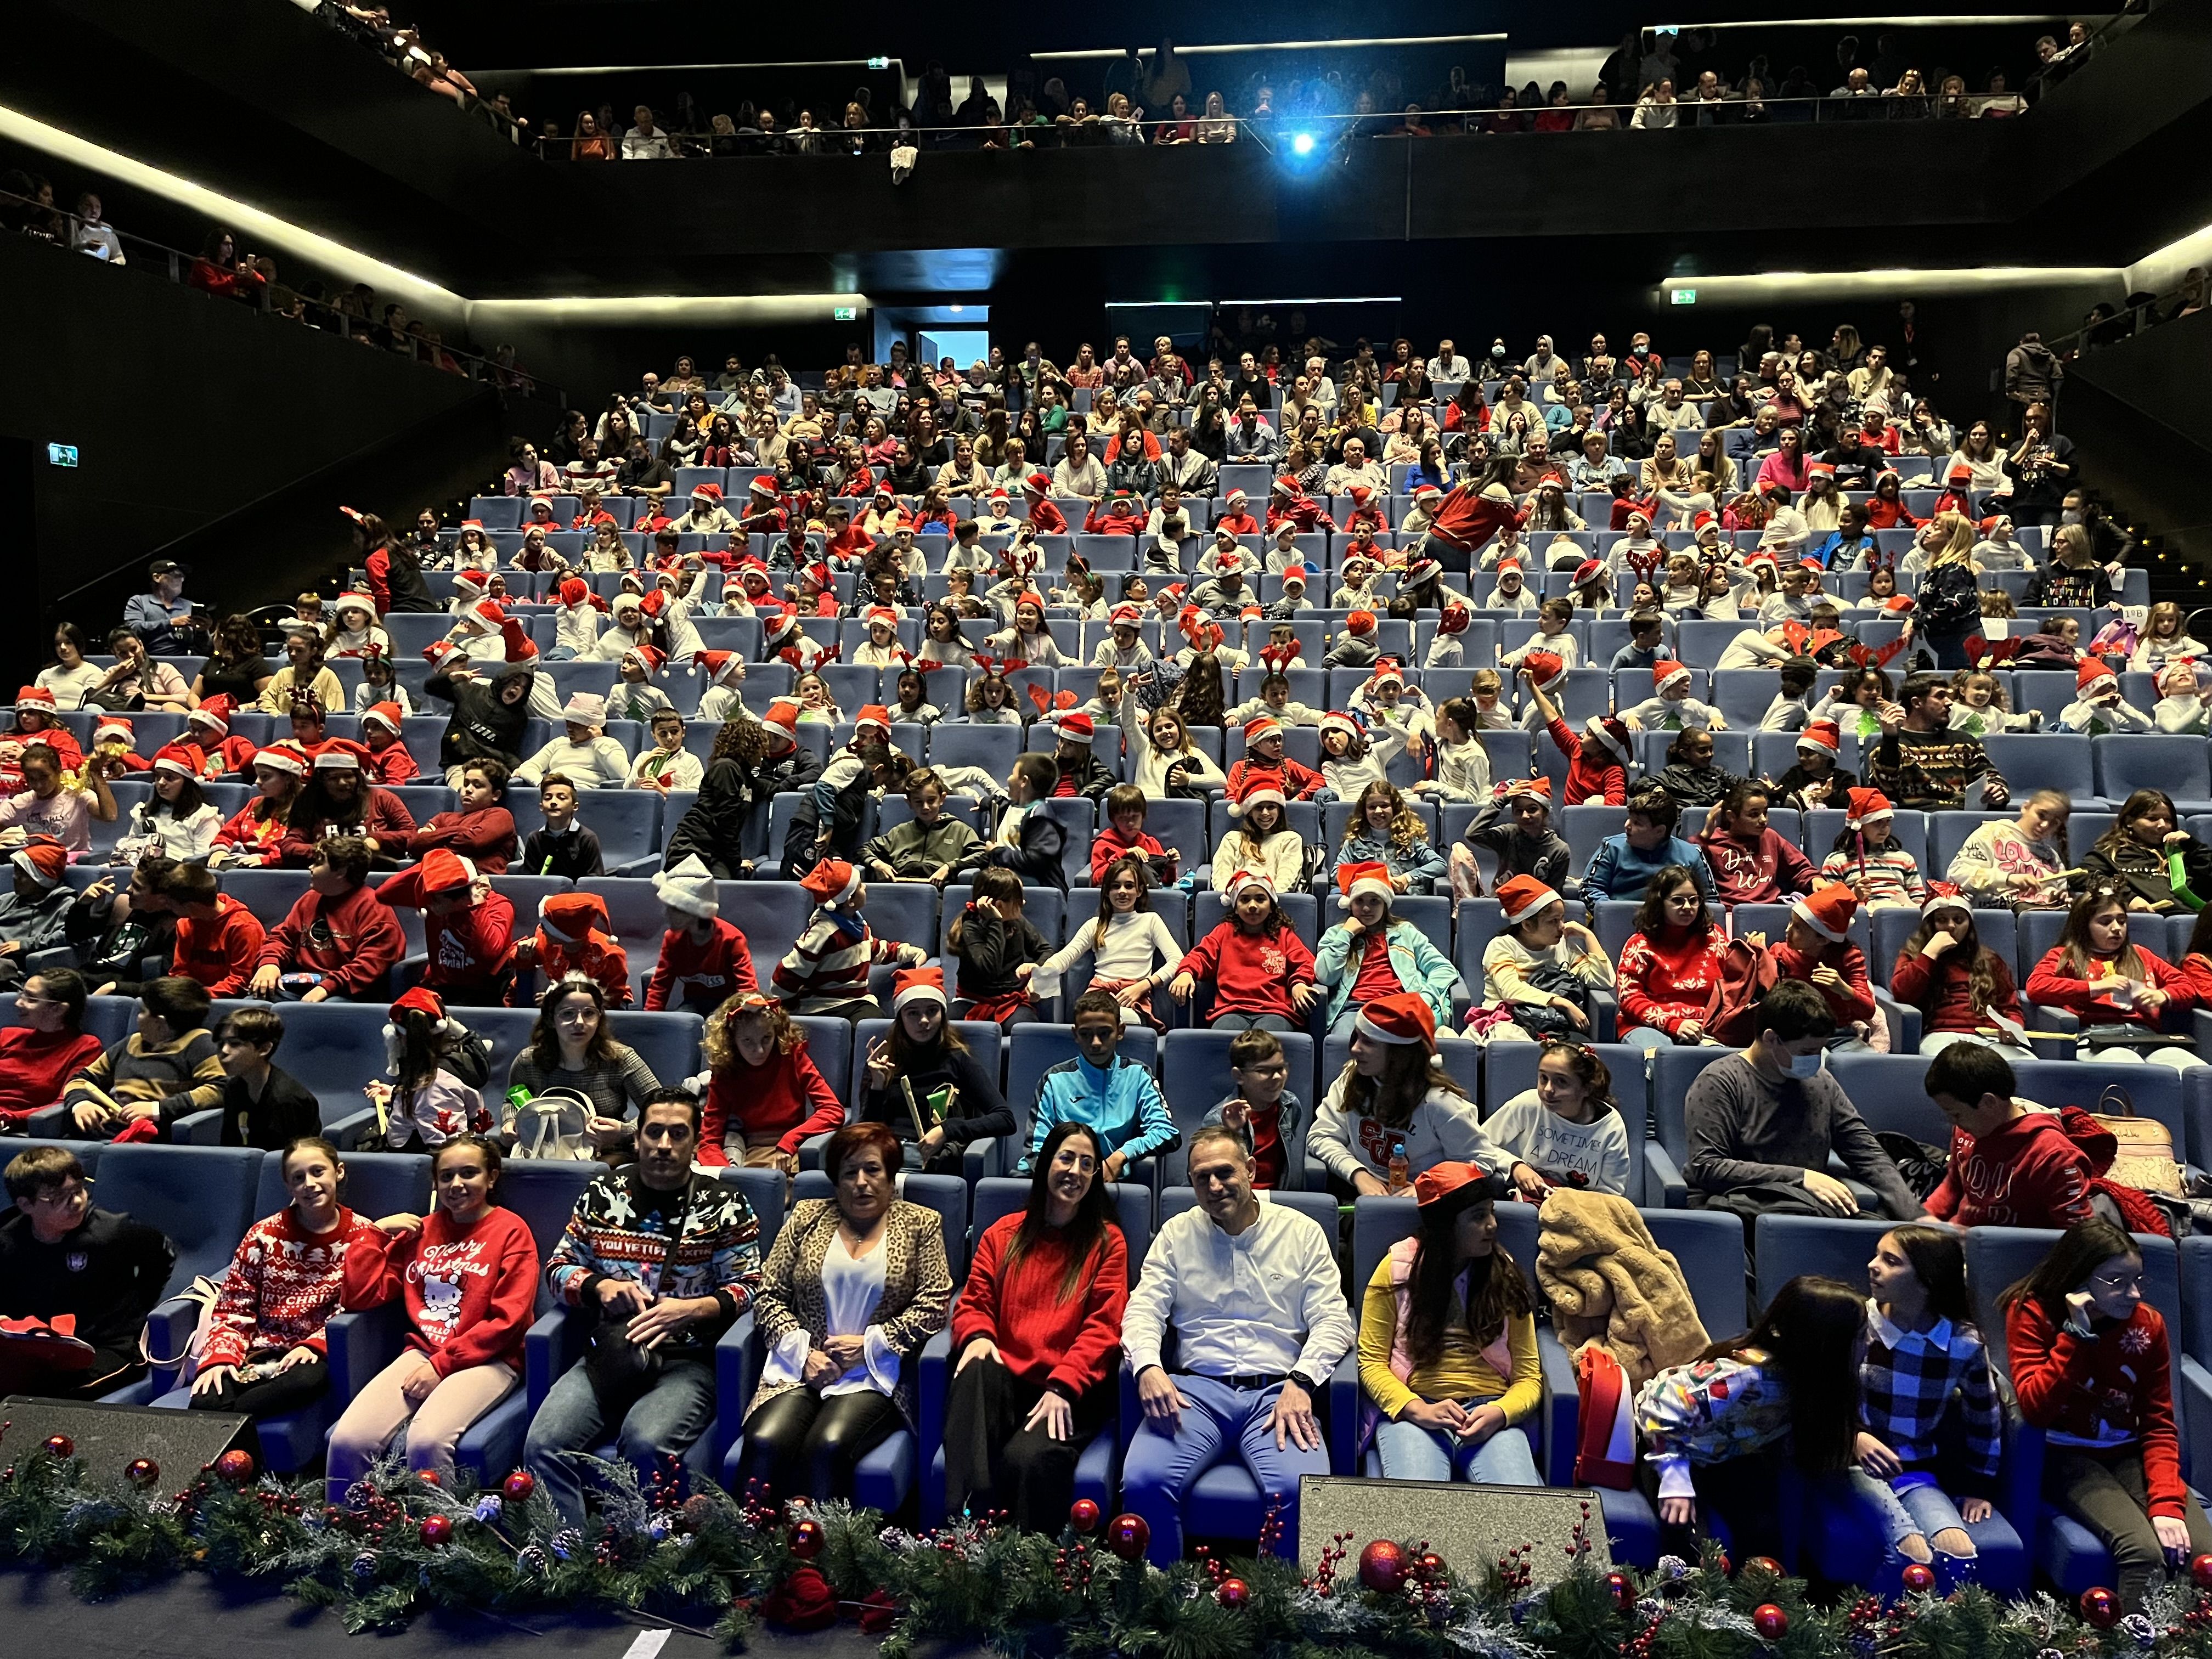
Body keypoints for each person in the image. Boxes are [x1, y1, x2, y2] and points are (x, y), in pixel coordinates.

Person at [525, 1090, 765, 1526]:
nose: (664, 1145)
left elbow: (751, 1287)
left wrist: (693, 1310)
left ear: (695, 1143)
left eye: (678, 1134)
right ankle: (573, 1560)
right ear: (638, 1139)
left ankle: (642, 1559)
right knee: (543, 1444)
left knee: (644, 1441)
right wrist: (599, 1286)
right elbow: (557, 1269)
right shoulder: (602, 1193)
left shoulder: (725, 1204)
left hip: (688, 1360)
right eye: (654, 1133)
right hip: (612, 1354)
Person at [1119, 1124, 1355, 1565]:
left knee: (1297, 1490)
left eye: (1225, 1172)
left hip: (1277, 1393)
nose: (1214, 1186)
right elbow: (1143, 1310)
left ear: (1250, 1169)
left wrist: (1302, 1382)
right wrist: (1149, 1367)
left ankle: (1279, 1612)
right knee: (1145, 1479)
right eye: (1200, 1177)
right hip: (1195, 1393)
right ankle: (1164, 1611)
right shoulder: (1176, 1234)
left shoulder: (1301, 1233)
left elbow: (1334, 1320)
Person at [736, 1122, 952, 1500]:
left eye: (873, 1170)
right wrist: (804, 1354)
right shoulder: (806, 1217)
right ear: (836, 1181)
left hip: (876, 1373)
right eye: (849, 1173)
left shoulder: (921, 1223)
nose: (861, 1183)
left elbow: (934, 1304)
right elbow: (768, 1294)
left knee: (828, 1446)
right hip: (801, 1369)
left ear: (890, 1176)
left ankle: (818, 1556)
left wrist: (870, 1345)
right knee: (764, 1441)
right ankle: (747, 1551)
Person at [2005, 1218, 2212, 1612]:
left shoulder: (2148, 1325)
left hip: (2125, 1450)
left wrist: (2167, 1504)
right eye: (2117, 1282)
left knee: (2203, 1557)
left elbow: (2158, 1423)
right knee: (2144, 1553)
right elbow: (2035, 1408)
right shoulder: (2030, 1311)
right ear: (2078, 1280)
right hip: (2061, 1453)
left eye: (2137, 1280)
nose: (2133, 1294)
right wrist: (2076, 1336)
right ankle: (2132, 1648)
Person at [943, 1120, 1129, 1530]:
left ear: (1096, 1175)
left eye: (1087, 1163)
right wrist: (976, 1335)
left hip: (1066, 1391)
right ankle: (962, 1528)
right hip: (1006, 1385)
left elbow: (1105, 1326)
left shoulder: (1107, 1241)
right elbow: (973, 1301)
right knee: (974, 1366)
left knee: (1025, 1459)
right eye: (1067, 1158)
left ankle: (1025, 1569)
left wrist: (1064, 1384)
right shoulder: (1002, 1234)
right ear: (1046, 1163)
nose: (1075, 1171)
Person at [329, 1136, 539, 1496]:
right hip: (425, 1352)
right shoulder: (422, 1231)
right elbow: (360, 1296)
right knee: (349, 1440)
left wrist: (442, 1366)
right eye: (446, 1176)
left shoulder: (511, 1230)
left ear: (491, 1178)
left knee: (426, 1441)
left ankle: (439, 1545)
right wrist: (374, 1235)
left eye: (469, 1173)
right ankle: (352, 1537)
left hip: (491, 1358)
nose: (456, 1184)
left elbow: (510, 1320)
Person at [1635, 1276, 1866, 1562]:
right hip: (1667, 1446)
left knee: (1765, 1537)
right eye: (1859, 1335)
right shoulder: (1745, 1377)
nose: (1868, 1342)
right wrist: (1675, 1474)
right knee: (1693, 1544)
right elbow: (1658, 1404)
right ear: (1827, 1346)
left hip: (1723, 1456)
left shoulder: (1815, 1386)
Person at [1358, 1158, 1542, 1484]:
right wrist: (1417, 1409)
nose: (1492, 1226)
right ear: (1446, 1226)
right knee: (1419, 1511)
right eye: (1477, 1217)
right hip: (1419, 1411)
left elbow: (1529, 1376)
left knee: (1519, 1512)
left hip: (1489, 1408)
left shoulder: (1505, 1273)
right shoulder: (1396, 1269)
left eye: (1492, 1212)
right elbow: (1371, 1363)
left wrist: (1501, 1413)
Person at [1683, 979, 1923, 1221]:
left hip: (1803, 1206)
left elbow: (1866, 1153)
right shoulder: (1719, 1081)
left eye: (1820, 1050)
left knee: (1885, 1234)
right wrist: (1801, 1177)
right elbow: (1707, 1166)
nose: (1816, 1060)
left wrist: (1915, 1217)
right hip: (1737, 1207)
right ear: (1772, 1039)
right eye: (1807, 1052)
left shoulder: (1821, 1081)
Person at [1848, 1224, 2004, 1588]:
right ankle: (1866, 1638)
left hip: (1914, 1469)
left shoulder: (1962, 1342)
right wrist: (1854, 1435)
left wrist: (1980, 1484)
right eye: (1877, 1256)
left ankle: (1929, 1642)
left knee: (1958, 1554)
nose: (1873, 1266)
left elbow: (1985, 1415)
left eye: (1890, 1261)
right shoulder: (1856, 1322)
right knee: (1911, 1553)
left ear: (1926, 1281)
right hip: (1853, 1464)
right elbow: (1823, 1395)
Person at [189, 1137, 377, 1429]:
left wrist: (314, 1346)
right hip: (258, 1350)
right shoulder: (263, 1235)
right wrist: (222, 1358)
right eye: (298, 1178)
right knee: (205, 1395)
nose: (309, 1184)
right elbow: (233, 1308)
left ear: (338, 1172)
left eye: (318, 1172)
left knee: (305, 1381)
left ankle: (218, 1424)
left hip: (309, 1356)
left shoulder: (363, 1235)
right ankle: (224, 1437)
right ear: (289, 1187)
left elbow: (354, 1305)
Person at [0, 1146, 175, 1398]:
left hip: (110, 1346)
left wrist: (141, 1307)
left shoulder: (113, 1233)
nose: (78, 1202)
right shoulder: (8, 1241)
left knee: (51, 1395)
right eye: (59, 1197)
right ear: (26, 1204)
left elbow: (162, 1255)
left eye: (79, 1189)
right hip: (42, 1346)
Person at [1310, 992, 1502, 1195]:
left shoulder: (1439, 1102)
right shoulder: (1350, 1079)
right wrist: (1358, 1174)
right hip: (1361, 1194)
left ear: (1399, 1054)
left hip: (1425, 1204)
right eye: (1356, 1037)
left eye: (1369, 1042)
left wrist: (1429, 1186)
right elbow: (1321, 1137)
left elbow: (1482, 1161)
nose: (1355, 1049)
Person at [2025, 886, 2204, 1070]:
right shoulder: (2065, 955)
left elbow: (2186, 986)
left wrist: (2164, 996)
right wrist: (2096, 987)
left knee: (2193, 1068)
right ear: (2083, 926)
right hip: (2097, 1038)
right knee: (2129, 1064)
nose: (2117, 928)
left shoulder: (2141, 954)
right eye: (2105, 922)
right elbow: (2037, 987)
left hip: (2148, 1038)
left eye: (2122, 921)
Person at [857, 966, 1014, 1173]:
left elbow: (1005, 1119)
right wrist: (877, 1087)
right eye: (913, 1013)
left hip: (934, 1163)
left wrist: (947, 1130)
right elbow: (868, 1131)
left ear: (943, 1013)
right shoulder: (884, 1059)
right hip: (886, 1160)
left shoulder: (957, 1057)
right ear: (900, 1018)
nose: (924, 1021)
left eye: (932, 1011)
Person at [1921, 1040, 2093, 1228]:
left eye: (1956, 1114)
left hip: (2013, 1253)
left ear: (1989, 1103)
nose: (1952, 1122)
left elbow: (2079, 1237)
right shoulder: (1967, 1130)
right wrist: (1924, 1219)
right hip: (1962, 1241)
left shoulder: (2054, 1155)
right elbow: (1954, 1185)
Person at [1017, 989, 1177, 1178]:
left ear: (1120, 1031)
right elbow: (1037, 1147)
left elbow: (1167, 1133)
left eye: (1104, 1033)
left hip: (1110, 1180)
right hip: (1058, 1178)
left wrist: (1121, 1156)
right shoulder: (1054, 1079)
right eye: (1086, 1034)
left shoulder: (1139, 1075)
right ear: (1075, 1035)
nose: (1095, 1043)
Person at [505, 975, 662, 1156]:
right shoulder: (529, 1060)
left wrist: (624, 1132)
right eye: (568, 1014)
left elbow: (659, 1108)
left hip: (607, 1153)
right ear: (551, 1020)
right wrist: (510, 1122)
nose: (580, 1023)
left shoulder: (622, 1058)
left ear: (600, 1017)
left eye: (589, 1013)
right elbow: (512, 1098)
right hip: (543, 1150)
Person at [61, 975, 227, 1139]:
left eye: (142, 1012)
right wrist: (81, 1103)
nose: (137, 1017)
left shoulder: (200, 1044)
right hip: (105, 1128)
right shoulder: (132, 1042)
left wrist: (157, 1109)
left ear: (160, 1022)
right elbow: (81, 1079)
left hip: (152, 1136)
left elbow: (221, 1088)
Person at [697, 990, 842, 1171]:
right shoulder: (726, 1070)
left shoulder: (791, 1055)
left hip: (793, 1147)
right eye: (747, 1041)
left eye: (767, 1038)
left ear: (777, 1032)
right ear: (732, 1040)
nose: (759, 1050)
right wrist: (726, 1175)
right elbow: (710, 1140)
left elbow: (833, 1111)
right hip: (748, 1149)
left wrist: (791, 1140)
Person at [250, 836, 405, 1002]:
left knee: (320, 1010)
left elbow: (369, 964)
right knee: (253, 1002)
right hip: (306, 982)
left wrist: (327, 988)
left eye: (318, 863)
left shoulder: (375, 910)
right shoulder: (310, 899)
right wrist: (269, 963)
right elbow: (283, 937)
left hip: (349, 991)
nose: (311, 868)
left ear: (341, 872)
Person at [1034, 856, 1182, 1029]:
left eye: (1129, 886)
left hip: (1133, 996)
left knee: (1120, 1020)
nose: (1122, 892)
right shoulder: (1095, 924)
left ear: (1140, 890)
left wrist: (1144, 985)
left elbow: (1177, 960)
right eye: (1115, 886)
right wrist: (1040, 979)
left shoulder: (1150, 920)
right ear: (1106, 891)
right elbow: (1065, 957)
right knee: (1092, 1020)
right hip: (1098, 995)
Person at [1483, 1040, 1633, 1197]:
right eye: (1543, 1078)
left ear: (1586, 1089)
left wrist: (1570, 1201)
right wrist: (1515, 1166)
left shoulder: (1611, 1126)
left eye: (1561, 1082)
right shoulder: (1529, 1103)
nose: (1548, 1089)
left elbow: (1612, 1193)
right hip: (1534, 1195)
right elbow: (1481, 1144)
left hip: (1584, 1206)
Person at [1476, 874, 1614, 1042]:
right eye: (1553, 921)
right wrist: (1563, 1003)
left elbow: (1603, 980)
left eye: (1562, 918)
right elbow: (1511, 992)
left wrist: (1589, 936)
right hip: (1508, 1022)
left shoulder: (1562, 944)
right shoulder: (1502, 946)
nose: (1562, 926)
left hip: (1553, 1025)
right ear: (1527, 925)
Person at [1893, 892, 2029, 1056]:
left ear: (1969, 925)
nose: (1951, 926)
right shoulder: (1915, 956)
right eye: (1942, 920)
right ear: (1931, 924)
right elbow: (1902, 994)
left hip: (1990, 1037)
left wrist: (2013, 1027)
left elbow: (2010, 1007)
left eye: (1958, 920)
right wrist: (1931, 952)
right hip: (1943, 1035)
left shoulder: (1989, 959)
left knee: (2030, 1067)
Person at [1615, 865, 1725, 1049]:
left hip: (1703, 1027)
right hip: (1647, 1026)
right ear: (1660, 903)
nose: (1688, 907)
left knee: (1717, 1063)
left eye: (1693, 900)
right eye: (1678, 901)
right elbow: (1629, 997)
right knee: (1661, 1058)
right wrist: (1673, 1024)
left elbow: (1732, 987)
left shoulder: (1715, 937)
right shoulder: (1640, 945)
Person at [1869, 673, 2008, 811]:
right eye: (1940, 696)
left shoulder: (1965, 742)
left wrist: (1997, 790)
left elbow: (1991, 776)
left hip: (1960, 816)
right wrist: (1890, 740)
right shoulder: (1890, 744)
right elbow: (1883, 793)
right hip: (1917, 820)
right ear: (1917, 703)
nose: (1949, 703)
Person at [644, 856, 757, 1014]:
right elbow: (661, 985)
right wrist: (651, 1021)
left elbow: (747, 988)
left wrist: (746, 1016)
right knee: (680, 1023)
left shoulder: (732, 938)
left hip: (729, 1007)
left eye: (674, 909)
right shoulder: (672, 939)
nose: (666, 915)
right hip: (693, 1004)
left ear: (693, 912)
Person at [0, 969, 104, 1126]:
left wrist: (10, 1118)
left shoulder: (85, 1047)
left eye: (31, 999)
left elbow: (65, 1101)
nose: (19, 1003)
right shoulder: (7, 1035)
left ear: (59, 1009)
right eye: (22, 994)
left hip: (21, 1128)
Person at [2084, 789, 2212, 914]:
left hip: (2197, 919)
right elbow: (2082, 876)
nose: (2162, 825)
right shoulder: (2111, 853)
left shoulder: (2184, 852)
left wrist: (2195, 848)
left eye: (2168, 820)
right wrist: (2128, 898)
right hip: (2150, 918)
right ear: (2130, 822)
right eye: (2152, 819)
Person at [211, 1006, 322, 1149]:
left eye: (235, 1044)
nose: (224, 1051)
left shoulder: (287, 1100)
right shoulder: (234, 1087)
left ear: (264, 1049)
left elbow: (291, 1161)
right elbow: (229, 1147)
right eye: (222, 1043)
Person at [1582, 786, 1716, 904]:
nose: (1627, 826)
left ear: (1659, 831)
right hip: (1620, 923)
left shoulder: (1692, 855)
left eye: (1637, 823)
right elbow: (1590, 889)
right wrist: (1612, 913)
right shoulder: (1612, 848)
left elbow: (1710, 901)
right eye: (1630, 819)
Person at [1945, 789, 2073, 909]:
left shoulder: (2052, 856)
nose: (2045, 825)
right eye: (2042, 815)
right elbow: (1957, 875)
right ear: (2025, 807)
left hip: (2041, 915)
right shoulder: (1992, 833)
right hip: (2002, 914)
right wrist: (2008, 878)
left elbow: (2060, 891)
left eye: (2055, 823)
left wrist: (2058, 898)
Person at [519, 776, 605, 879]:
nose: (553, 802)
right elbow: (529, 880)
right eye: (548, 798)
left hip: (577, 894)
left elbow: (594, 880)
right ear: (541, 807)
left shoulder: (587, 838)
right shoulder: (535, 839)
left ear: (575, 806)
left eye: (562, 798)